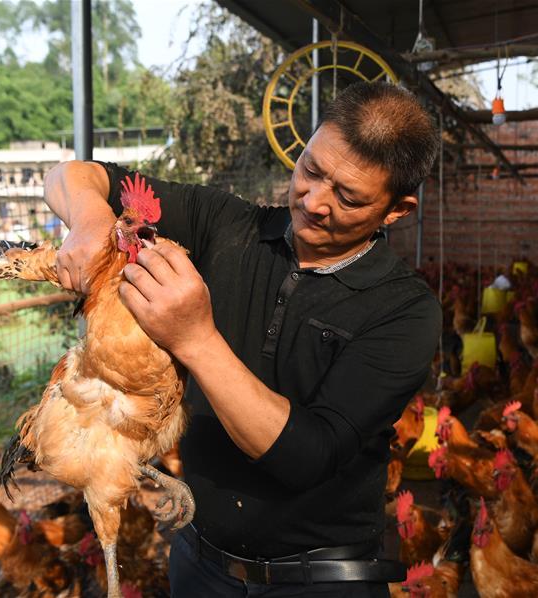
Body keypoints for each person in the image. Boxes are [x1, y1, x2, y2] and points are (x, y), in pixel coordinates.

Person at [43, 82, 441, 597]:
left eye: (347, 197)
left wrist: (195, 338)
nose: (314, 201)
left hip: (319, 580)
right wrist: (92, 219)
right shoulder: (227, 225)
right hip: (200, 563)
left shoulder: (404, 310)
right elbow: (70, 176)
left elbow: (306, 456)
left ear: (396, 210)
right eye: (311, 170)